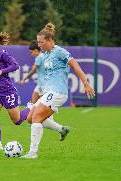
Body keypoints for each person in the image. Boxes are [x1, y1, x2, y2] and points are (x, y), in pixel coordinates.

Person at [22, 23, 95, 159]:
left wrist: (86, 83)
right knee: (30, 118)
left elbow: (75, 65)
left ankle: (32, 153)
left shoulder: (60, 51)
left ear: (49, 41)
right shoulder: (46, 54)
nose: (39, 45)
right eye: (38, 42)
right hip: (49, 92)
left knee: (37, 117)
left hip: (58, 92)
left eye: (41, 42)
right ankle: (62, 129)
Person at [20, 41, 71, 141]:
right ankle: (48, 124)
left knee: (34, 106)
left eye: (32, 52)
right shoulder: (46, 55)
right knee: (38, 108)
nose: (31, 54)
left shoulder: (39, 57)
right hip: (46, 85)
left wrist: (24, 79)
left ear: (36, 50)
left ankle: (40, 122)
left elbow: (34, 69)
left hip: (43, 86)